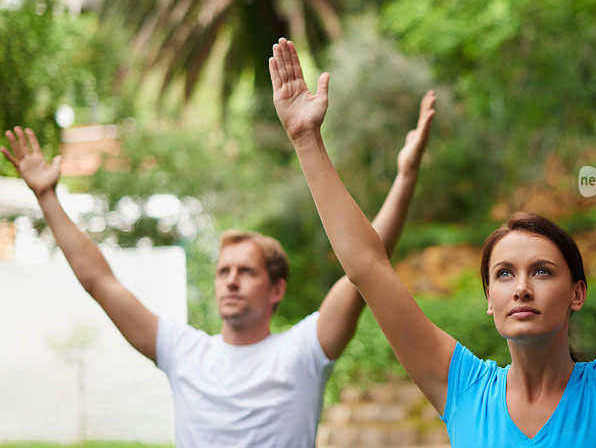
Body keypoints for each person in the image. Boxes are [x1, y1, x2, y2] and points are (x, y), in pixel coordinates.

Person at [270, 0, 596, 446]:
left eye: (541, 271)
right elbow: (368, 268)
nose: (521, 288)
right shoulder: (462, 390)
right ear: (488, 299)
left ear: (576, 293)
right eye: (503, 274)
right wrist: (306, 140)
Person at [1, 88, 435, 447]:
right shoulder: (183, 351)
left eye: (246, 272)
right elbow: (100, 281)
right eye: (224, 271)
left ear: (276, 289)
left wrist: (407, 177)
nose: (230, 280)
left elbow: (366, 267)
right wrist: (48, 198)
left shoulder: (304, 350)